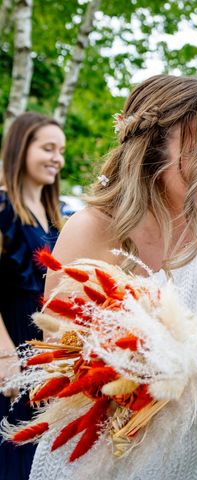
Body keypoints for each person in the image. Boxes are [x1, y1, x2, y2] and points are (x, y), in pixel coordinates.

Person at [27, 75, 197, 480]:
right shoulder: (93, 229)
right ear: (152, 155)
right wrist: (185, 347)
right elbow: (67, 370)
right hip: (93, 463)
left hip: (194, 462)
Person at [0, 112, 66, 480]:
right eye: (47, 148)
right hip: (11, 342)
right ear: (21, 149)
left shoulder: (55, 215)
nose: (57, 158)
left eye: (61, 150)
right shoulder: (3, 207)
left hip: (45, 348)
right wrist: (6, 356)